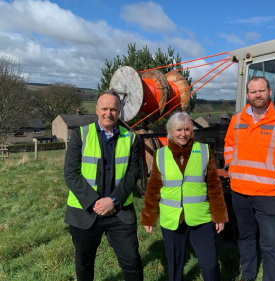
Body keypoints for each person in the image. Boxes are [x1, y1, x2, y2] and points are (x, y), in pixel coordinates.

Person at [224, 76, 275, 281]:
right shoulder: (237, 119)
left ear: (270, 92)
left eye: (261, 90)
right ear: (247, 95)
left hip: (269, 194)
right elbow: (229, 144)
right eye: (253, 91)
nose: (257, 94)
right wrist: (230, 167)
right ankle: (248, 276)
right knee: (245, 238)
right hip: (240, 192)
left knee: (270, 245)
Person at [64, 89, 143, 281]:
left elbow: (133, 174)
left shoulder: (131, 138)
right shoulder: (80, 135)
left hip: (120, 212)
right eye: (105, 109)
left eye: (114, 109)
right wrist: (96, 203)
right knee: (84, 263)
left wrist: (113, 200)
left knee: (132, 261)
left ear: (119, 111)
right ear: (97, 109)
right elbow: (71, 174)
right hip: (85, 212)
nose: (109, 113)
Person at [141, 112, 228, 281]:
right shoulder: (161, 154)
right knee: (175, 266)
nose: (183, 133)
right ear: (170, 132)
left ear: (192, 131)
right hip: (172, 219)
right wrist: (149, 217)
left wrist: (219, 215)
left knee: (210, 264)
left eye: (187, 129)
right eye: (178, 129)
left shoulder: (203, 151)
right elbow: (153, 189)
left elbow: (214, 186)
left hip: (200, 218)